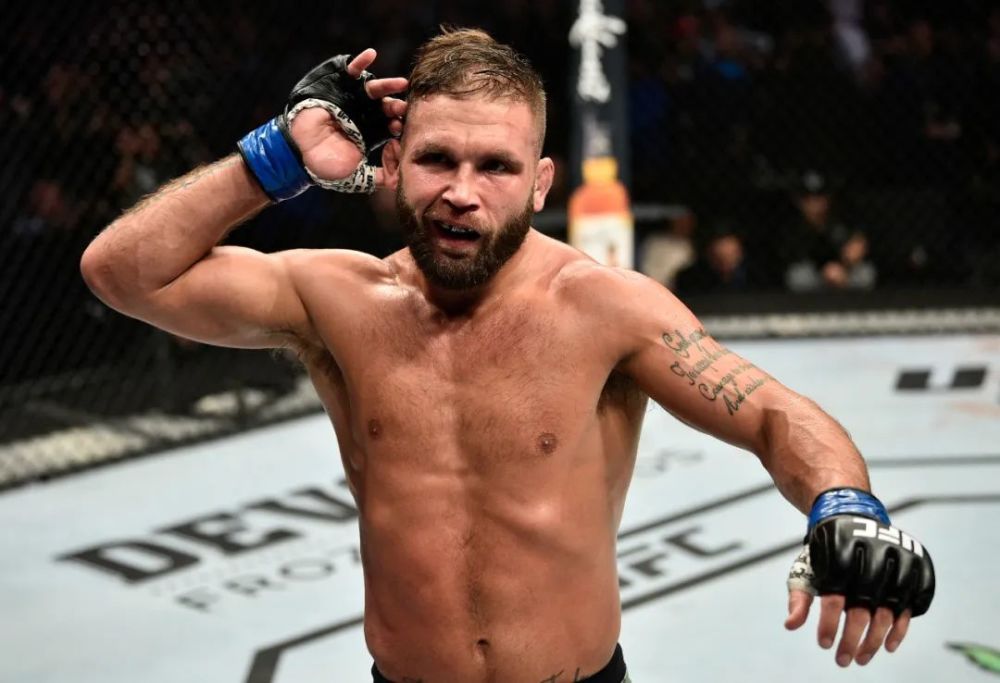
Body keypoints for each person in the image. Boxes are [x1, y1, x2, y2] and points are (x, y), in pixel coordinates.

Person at [80, 28, 934, 683]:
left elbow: (774, 413)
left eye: (496, 166)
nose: (462, 191)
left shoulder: (604, 307)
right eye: (437, 159)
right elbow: (121, 274)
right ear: (391, 162)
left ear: (540, 182)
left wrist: (843, 505)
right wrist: (275, 156)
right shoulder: (336, 299)